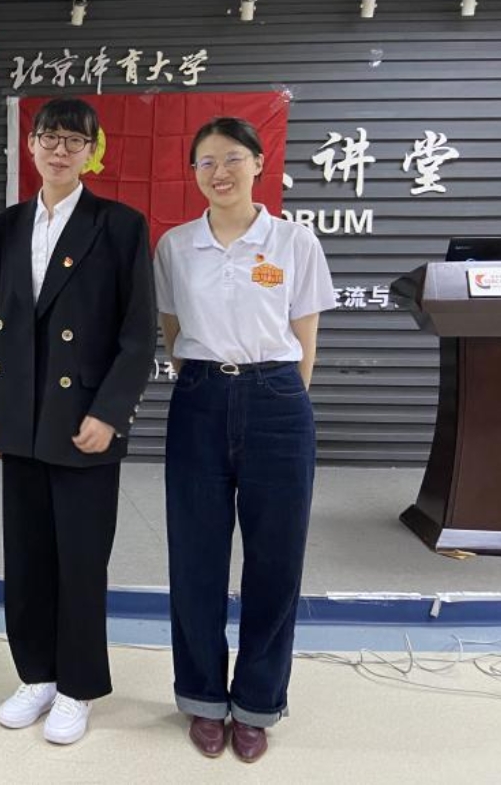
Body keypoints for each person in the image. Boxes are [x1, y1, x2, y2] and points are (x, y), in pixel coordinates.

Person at [154, 116, 336, 763]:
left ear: (259, 162)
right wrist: (211, 381)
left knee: (275, 560)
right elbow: (173, 334)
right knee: (195, 558)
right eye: (205, 162)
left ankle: (257, 702)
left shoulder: (293, 241)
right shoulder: (175, 245)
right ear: (194, 173)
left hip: (277, 401)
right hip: (200, 398)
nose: (220, 172)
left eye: (232, 158)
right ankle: (203, 697)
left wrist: (275, 395)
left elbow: (305, 341)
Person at [0, 96, 156, 746]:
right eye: (49, 137)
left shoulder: (120, 225)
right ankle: (37, 675)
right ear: (30, 145)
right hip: (20, 418)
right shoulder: (8, 225)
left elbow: (138, 335)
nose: (59, 150)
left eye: (74, 141)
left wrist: (110, 412)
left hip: (84, 421)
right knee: (26, 558)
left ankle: (77, 687)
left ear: (91, 152)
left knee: (80, 561)